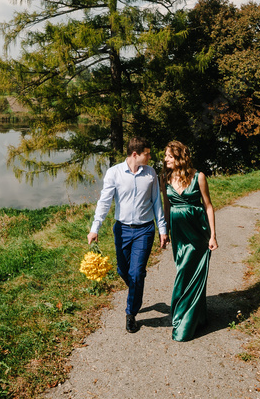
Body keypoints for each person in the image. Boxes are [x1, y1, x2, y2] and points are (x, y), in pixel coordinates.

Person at [88, 137, 169, 333]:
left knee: (136, 273)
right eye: (147, 153)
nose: (150, 156)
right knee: (123, 271)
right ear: (135, 154)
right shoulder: (114, 173)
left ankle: (131, 313)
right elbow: (104, 202)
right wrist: (95, 228)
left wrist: (163, 229)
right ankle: (136, 284)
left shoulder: (150, 174)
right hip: (122, 230)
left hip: (144, 230)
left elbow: (157, 202)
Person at [162, 140, 218, 341]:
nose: (165, 159)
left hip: (197, 233)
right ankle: (198, 317)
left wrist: (213, 235)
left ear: (179, 157)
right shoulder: (165, 178)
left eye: (169, 156)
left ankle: (182, 324)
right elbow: (166, 208)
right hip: (179, 234)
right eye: (166, 156)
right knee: (184, 272)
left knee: (190, 273)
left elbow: (208, 206)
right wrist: (165, 232)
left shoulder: (199, 176)